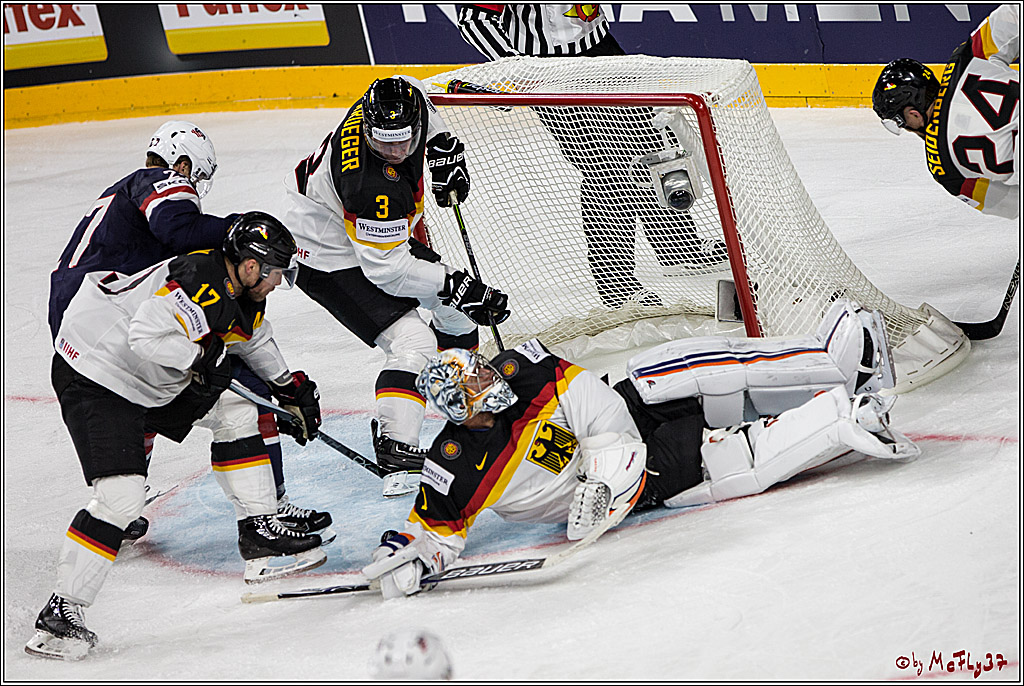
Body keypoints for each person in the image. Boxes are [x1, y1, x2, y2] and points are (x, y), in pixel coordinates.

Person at [361, 299, 918, 598]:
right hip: (637, 478)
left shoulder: (519, 370)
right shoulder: (455, 465)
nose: (489, 373)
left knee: (685, 368)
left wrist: (602, 475)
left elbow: (596, 408)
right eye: (478, 380)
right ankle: (846, 420)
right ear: (463, 408)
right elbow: (433, 530)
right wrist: (408, 561)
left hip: (617, 433)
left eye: (481, 366)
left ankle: (830, 364)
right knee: (732, 454)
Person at [26, 212, 326, 661]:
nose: (278, 282)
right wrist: (201, 356)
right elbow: (146, 336)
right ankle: (61, 611)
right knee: (121, 498)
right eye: (276, 272)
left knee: (236, 407)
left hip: (143, 374)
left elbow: (252, 337)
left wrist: (289, 387)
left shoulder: (238, 288)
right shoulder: (195, 279)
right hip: (95, 370)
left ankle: (259, 527)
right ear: (250, 267)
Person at [47, 120, 331, 544]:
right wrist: (245, 233)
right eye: (197, 176)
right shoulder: (159, 179)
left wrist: (285, 383)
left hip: (88, 315)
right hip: (103, 313)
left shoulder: (128, 196)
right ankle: (267, 508)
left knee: (142, 394)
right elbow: (178, 230)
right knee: (235, 386)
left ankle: (124, 507)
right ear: (182, 163)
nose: (195, 189)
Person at [282, 75, 510, 475]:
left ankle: (470, 408)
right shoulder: (371, 186)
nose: (394, 151)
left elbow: (411, 84)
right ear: (368, 129)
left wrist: (440, 145)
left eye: (405, 141)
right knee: (413, 339)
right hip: (326, 254)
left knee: (454, 310)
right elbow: (388, 272)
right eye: (384, 142)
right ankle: (396, 446)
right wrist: (455, 284)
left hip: (367, 236)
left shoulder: (389, 103)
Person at [457, 4, 730, 309]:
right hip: (546, 67)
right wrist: (516, 67)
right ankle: (618, 287)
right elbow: (474, 19)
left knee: (652, 143)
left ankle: (678, 248)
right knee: (604, 167)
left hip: (601, 49)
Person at [872, 4, 1019, 219]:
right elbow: (1013, 15)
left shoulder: (941, 166)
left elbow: (1009, 204)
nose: (907, 129)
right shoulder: (965, 59)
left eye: (901, 122)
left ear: (914, 113)